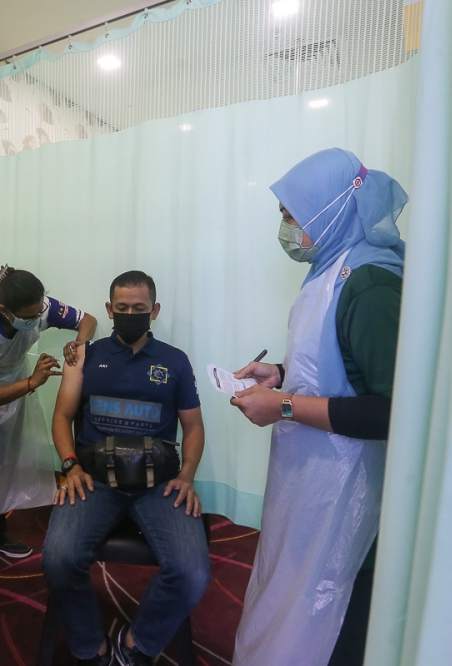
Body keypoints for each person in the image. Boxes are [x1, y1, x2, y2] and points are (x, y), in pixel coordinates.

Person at [229, 148, 407, 666]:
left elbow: (392, 410)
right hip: (309, 472)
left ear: (330, 210)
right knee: (289, 582)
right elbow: (335, 366)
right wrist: (279, 375)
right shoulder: (331, 269)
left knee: (326, 609)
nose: (285, 228)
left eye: (291, 214)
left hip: (348, 484)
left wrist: (283, 406)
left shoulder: (371, 285)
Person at [42, 270, 210, 666]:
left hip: (159, 483)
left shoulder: (174, 361)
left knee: (192, 573)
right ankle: (90, 648)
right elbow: (62, 417)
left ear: (155, 310)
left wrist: (187, 476)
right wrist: (70, 467)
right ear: (109, 310)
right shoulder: (84, 355)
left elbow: (195, 427)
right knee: (58, 558)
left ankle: (136, 645)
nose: (130, 314)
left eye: (139, 308)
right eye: (122, 308)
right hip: (95, 480)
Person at [0, 265, 97, 594]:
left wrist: (78, 345)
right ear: (4, 311)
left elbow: (88, 320)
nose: (36, 318)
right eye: (27, 316)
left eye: (39, 310)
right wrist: (31, 382)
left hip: (13, 379)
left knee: (4, 458)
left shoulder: (40, 307)